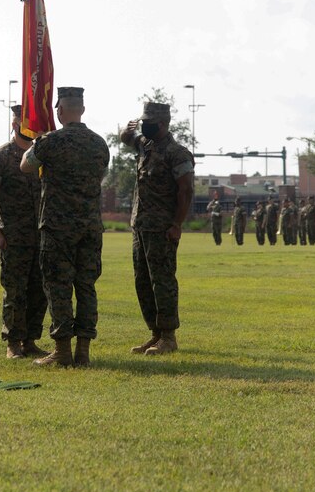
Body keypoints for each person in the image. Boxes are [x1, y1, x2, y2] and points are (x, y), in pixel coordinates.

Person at [20, 87, 109, 367]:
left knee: (58, 286)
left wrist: (39, 144)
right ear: (82, 110)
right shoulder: (99, 144)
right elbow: (101, 175)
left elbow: (25, 166)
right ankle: (83, 351)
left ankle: (61, 350)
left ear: (59, 111)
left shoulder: (50, 142)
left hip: (58, 227)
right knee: (86, 286)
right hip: (90, 226)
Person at [120, 101, 194, 356]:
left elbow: (186, 191)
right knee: (143, 282)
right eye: (143, 122)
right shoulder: (145, 145)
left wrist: (177, 224)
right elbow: (125, 139)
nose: (145, 127)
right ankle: (155, 333)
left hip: (162, 228)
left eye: (149, 123)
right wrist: (128, 130)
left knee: (162, 281)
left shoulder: (178, 153)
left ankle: (169, 337)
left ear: (162, 124)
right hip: (140, 226)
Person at [0, 105, 48, 359]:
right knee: (15, 291)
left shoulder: (41, 157)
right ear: (15, 124)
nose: (28, 127)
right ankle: (13, 343)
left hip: (41, 236)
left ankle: (30, 340)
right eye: (23, 121)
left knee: (39, 291)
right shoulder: (0, 158)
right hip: (13, 238)